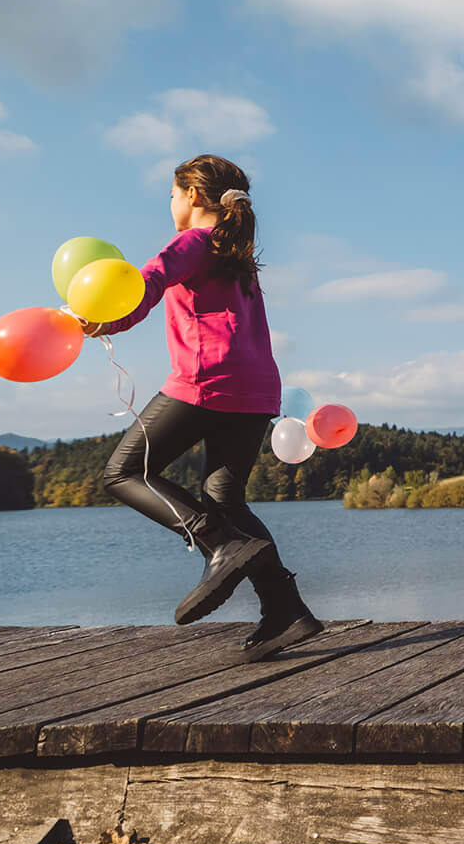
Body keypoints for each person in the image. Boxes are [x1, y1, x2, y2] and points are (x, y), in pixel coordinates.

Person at [85, 154, 323, 661]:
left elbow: (143, 285)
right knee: (224, 493)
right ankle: (287, 611)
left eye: (172, 194)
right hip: (257, 388)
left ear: (192, 196)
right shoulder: (237, 254)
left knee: (124, 472)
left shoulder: (192, 241)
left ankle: (217, 543)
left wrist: (101, 321)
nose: (170, 204)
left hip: (207, 379)